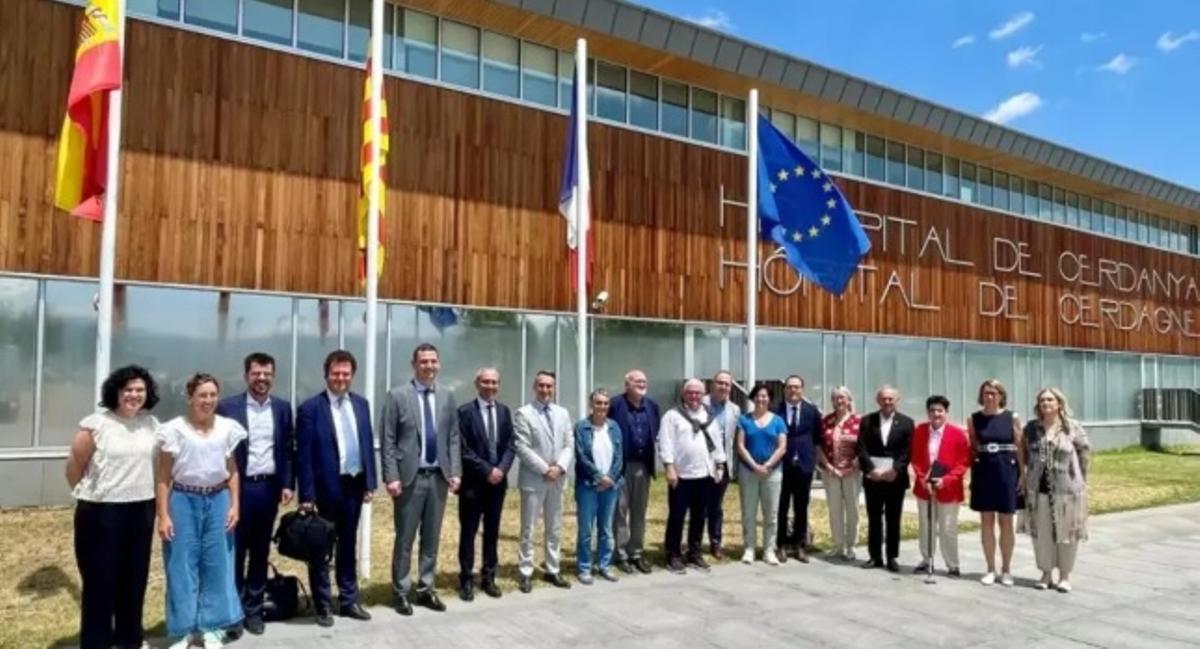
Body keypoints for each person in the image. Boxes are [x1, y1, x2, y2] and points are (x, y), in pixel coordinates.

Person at [66, 365, 161, 649]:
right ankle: (96, 642)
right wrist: (92, 497)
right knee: (100, 581)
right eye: (128, 389)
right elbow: (74, 469)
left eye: (140, 390)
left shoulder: (152, 425)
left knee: (134, 579)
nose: (134, 395)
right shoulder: (95, 425)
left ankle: (129, 639)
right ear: (116, 392)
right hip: (101, 512)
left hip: (141, 509)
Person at [156, 374, 247, 649]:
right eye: (202, 395)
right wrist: (164, 515)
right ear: (190, 398)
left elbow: (232, 470)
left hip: (218, 499)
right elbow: (163, 476)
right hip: (183, 500)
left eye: (212, 395)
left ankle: (213, 627)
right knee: (181, 565)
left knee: (218, 564)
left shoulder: (227, 428)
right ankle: (183, 630)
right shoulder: (174, 430)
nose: (208, 400)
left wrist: (234, 505)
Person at [295, 350, 377, 627]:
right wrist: (306, 495)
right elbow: (304, 456)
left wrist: (369, 481)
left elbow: (367, 443)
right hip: (323, 490)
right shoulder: (310, 409)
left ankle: (349, 600)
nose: (341, 378)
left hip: (353, 486)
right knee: (320, 549)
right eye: (335, 373)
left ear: (352, 375)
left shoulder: (361, 404)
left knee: (348, 545)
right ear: (326, 374)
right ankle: (323, 604)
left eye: (346, 373)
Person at [380, 343, 461, 614]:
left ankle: (426, 588)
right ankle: (401, 592)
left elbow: (453, 437)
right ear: (414, 364)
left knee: (431, 538)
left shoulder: (447, 395)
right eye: (423, 361)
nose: (429, 366)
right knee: (405, 539)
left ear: (439, 363)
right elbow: (388, 438)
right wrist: (391, 476)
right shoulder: (397, 395)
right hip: (409, 479)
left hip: (438, 478)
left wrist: (455, 471)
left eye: (433, 361)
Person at [215, 353, 293, 636]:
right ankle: (232, 613)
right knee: (234, 552)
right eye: (256, 373)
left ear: (273, 376)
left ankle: (254, 610)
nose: (262, 378)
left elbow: (286, 448)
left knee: (260, 552)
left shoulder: (282, 408)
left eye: (267, 374)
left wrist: (287, 483)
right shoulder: (228, 407)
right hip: (238, 488)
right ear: (246, 375)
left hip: (268, 489)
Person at [1021, 388, 1090, 593]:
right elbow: (1024, 452)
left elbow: (1084, 453)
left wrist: (1081, 478)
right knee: (1042, 534)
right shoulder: (1031, 428)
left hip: (1067, 490)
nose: (1046, 403)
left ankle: (1065, 576)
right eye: (1042, 400)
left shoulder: (1072, 427)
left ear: (1059, 403)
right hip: (1039, 489)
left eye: (1050, 399)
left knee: (1066, 534)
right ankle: (1046, 573)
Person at [455, 367, 514, 601]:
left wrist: (501, 469)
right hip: (473, 484)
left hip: (497, 485)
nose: (490, 386)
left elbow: (511, 444)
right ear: (477, 384)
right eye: (485, 382)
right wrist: (487, 470)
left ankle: (489, 577)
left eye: (494, 382)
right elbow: (463, 449)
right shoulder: (464, 412)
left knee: (492, 532)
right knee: (468, 532)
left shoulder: (504, 411)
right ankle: (466, 579)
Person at [512, 370, 574, 592]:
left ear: (554, 388)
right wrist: (545, 469)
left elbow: (569, 443)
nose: (545, 390)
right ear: (534, 387)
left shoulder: (562, 413)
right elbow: (521, 447)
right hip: (534, 479)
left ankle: (552, 569)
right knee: (529, 528)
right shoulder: (524, 413)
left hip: (557, 479)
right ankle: (525, 571)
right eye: (541, 385)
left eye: (549, 386)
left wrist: (560, 467)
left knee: (554, 527)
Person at [659, 378, 726, 574]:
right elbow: (665, 443)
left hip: (705, 474)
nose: (694, 396)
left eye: (698, 393)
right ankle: (673, 554)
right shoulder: (672, 416)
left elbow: (717, 442)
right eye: (690, 392)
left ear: (703, 394)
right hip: (681, 475)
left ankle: (694, 553)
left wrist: (720, 464)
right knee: (677, 516)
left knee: (699, 516)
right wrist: (669, 467)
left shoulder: (709, 416)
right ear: (684, 394)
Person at [968, 379, 1025, 587]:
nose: (990, 396)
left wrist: (1023, 474)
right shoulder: (974, 419)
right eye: (986, 393)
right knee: (986, 521)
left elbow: (1020, 446)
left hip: (1007, 470)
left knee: (1006, 521)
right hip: (984, 470)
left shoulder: (1012, 417)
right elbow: (973, 446)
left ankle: (1006, 569)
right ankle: (990, 568)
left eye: (994, 393)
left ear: (1001, 395)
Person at [607, 369, 661, 574]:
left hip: (643, 466)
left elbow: (656, 433)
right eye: (637, 381)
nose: (642, 384)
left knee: (639, 511)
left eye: (644, 381)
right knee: (620, 511)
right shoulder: (614, 405)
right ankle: (620, 554)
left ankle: (636, 553)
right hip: (621, 466)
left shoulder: (652, 406)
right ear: (627, 384)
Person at [910, 395, 970, 577]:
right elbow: (915, 457)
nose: (936, 414)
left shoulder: (958, 434)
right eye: (932, 410)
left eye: (940, 410)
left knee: (948, 528)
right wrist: (922, 478)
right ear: (927, 412)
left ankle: (953, 564)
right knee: (926, 526)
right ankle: (927, 560)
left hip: (948, 488)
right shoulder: (919, 431)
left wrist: (946, 480)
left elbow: (963, 462)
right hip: (924, 487)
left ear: (946, 412)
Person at [857, 386, 914, 573]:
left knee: (893, 518)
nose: (887, 402)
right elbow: (861, 448)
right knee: (874, 518)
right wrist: (870, 469)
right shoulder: (867, 421)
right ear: (878, 400)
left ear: (897, 400)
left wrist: (896, 469)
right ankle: (875, 556)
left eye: (890, 398)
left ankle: (892, 557)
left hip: (895, 479)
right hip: (873, 478)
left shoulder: (907, 423)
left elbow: (907, 451)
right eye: (883, 398)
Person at [574, 389, 624, 584]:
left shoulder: (614, 427)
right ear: (591, 405)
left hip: (610, 487)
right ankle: (584, 567)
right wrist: (598, 477)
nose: (602, 406)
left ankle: (605, 565)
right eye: (598, 403)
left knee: (606, 529)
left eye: (605, 403)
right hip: (588, 486)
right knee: (586, 530)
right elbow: (581, 456)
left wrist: (610, 478)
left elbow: (619, 456)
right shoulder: (581, 427)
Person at [734, 384, 787, 565]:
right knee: (748, 512)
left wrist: (768, 464)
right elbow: (740, 446)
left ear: (769, 399)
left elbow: (782, 447)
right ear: (753, 398)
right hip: (748, 471)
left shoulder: (778, 421)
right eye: (757, 396)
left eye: (764, 396)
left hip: (772, 472)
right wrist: (754, 465)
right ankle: (749, 548)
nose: (761, 399)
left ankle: (768, 550)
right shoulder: (744, 419)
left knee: (771, 513)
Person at [775, 375, 821, 563]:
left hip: (804, 465)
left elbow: (817, 438)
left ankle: (800, 545)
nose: (793, 390)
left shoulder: (812, 411)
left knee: (801, 506)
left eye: (797, 387)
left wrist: (814, 460)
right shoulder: (775, 411)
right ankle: (781, 545)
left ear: (802, 389)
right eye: (790, 387)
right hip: (782, 465)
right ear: (785, 389)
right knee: (781, 506)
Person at [817, 386, 862, 562]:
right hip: (831, 472)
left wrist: (854, 465)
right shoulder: (826, 421)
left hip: (852, 472)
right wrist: (828, 466)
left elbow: (864, 447)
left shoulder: (859, 421)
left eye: (842, 397)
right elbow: (819, 446)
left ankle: (851, 546)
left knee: (852, 509)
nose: (839, 401)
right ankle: (838, 545)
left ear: (849, 400)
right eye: (836, 398)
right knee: (834, 509)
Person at [703, 370, 742, 559]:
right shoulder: (700, 403)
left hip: (722, 464)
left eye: (727, 384)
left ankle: (715, 542)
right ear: (713, 384)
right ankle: (693, 544)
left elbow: (734, 440)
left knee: (715, 505)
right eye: (720, 383)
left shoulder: (734, 410)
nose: (723, 387)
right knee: (697, 505)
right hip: (701, 462)